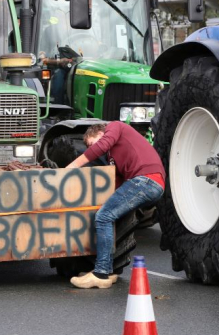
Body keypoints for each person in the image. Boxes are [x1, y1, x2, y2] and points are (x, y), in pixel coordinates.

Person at [65, 122, 165, 289]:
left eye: (92, 142)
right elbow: (117, 185)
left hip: (145, 180)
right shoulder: (113, 157)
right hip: (149, 183)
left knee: (104, 217)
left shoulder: (115, 126)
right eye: (89, 146)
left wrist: (73, 166)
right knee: (107, 215)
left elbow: (103, 144)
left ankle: (101, 273)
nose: (93, 148)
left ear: (100, 132)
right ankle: (109, 271)